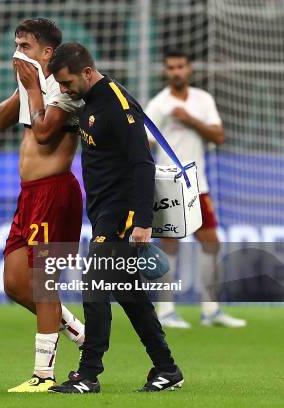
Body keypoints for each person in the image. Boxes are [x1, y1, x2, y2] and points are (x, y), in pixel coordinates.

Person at [47, 42, 183, 393]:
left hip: (120, 214)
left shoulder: (119, 106)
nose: (64, 90)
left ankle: (88, 374)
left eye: (67, 83)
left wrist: (141, 221)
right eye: (60, 85)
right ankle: (167, 369)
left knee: (95, 287)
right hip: (104, 211)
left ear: (87, 73)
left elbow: (142, 163)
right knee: (131, 296)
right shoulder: (89, 100)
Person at [0, 18, 85, 393]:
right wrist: (21, 90)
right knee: (15, 284)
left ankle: (43, 375)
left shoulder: (66, 89)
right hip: (28, 196)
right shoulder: (30, 86)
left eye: (26, 46)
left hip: (54, 192)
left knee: (44, 284)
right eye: (16, 45)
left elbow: (46, 136)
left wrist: (33, 87)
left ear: (47, 52)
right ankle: (77, 328)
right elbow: (1, 121)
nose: (18, 53)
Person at [145, 50, 246, 329]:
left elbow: (219, 136)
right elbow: (145, 143)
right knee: (169, 244)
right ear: (166, 72)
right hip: (168, 184)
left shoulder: (203, 100)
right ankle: (165, 310)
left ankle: (211, 309)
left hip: (197, 184)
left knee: (211, 242)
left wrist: (190, 119)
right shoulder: (158, 105)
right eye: (171, 67)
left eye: (180, 66)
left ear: (189, 69)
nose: (176, 71)